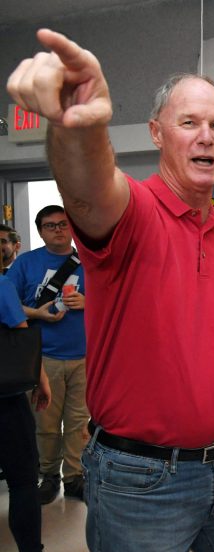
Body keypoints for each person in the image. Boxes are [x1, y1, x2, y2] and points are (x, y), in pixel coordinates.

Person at [8, 29, 214, 552]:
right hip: (141, 480)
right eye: (188, 123)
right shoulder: (134, 211)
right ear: (156, 133)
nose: (205, 136)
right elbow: (86, 192)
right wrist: (78, 127)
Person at [6, 205, 89, 504]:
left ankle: (75, 476)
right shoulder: (26, 263)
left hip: (83, 355)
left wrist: (88, 302)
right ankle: (49, 475)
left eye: (63, 224)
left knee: (80, 421)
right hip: (42, 358)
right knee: (46, 423)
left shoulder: (90, 261)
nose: (58, 229)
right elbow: (6, 304)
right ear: (40, 231)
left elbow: (115, 301)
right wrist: (36, 312)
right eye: (50, 225)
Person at [0, 274, 75, 552]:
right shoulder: (1, 284)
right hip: (4, 401)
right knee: (22, 481)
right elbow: (19, 331)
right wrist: (39, 378)